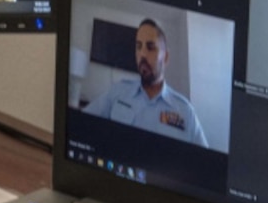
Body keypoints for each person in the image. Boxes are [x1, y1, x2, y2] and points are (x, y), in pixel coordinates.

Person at [83, 18, 209, 147]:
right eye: (138, 46)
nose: (142, 54)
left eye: (150, 47)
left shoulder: (185, 112)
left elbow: (204, 162)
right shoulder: (118, 92)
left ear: (165, 57)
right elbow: (82, 124)